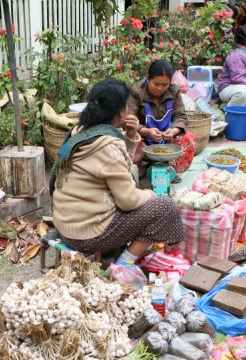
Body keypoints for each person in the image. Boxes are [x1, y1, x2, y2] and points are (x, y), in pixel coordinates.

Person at [51, 78, 185, 266]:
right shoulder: (107, 144)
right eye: (125, 106)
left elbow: (120, 166)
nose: (128, 110)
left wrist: (131, 136)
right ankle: (122, 266)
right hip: (88, 235)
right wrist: (149, 194)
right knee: (165, 207)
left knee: (134, 182)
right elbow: (128, 201)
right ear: (119, 111)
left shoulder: (80, 131)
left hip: (65, 225)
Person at [126, 60, 197, 178]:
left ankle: (173, 172)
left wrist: (173, 131)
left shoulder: (174, 91)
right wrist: (147, 132)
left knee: (188, 139)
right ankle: (141, 167)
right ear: (148, 78)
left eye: (165, 85)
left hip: (166, 136)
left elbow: (181, 116)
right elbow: (129, 120)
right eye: (156, 84)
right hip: (143, 137)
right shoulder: (136, 92)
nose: (159, 88)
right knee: (127, 139)